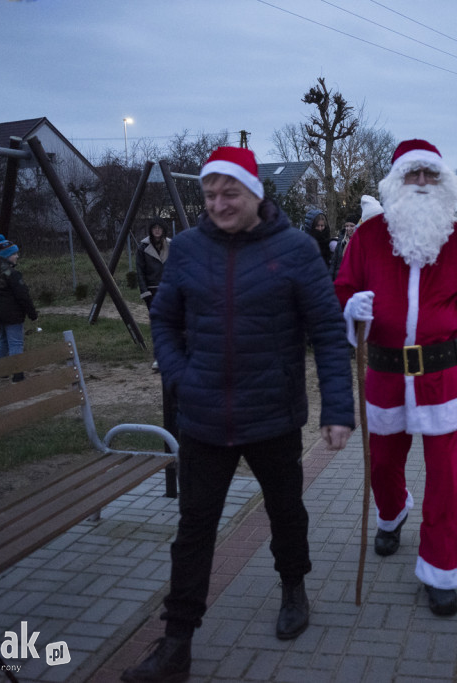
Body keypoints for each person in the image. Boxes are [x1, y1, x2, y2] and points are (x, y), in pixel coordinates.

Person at [122, 146, 355, 682]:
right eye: (209, 194)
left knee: (286, 511)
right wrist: (180, 376)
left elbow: (326, 330)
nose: (219, 203)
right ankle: (176, 642)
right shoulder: (185, 249)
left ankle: (293, 587)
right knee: (194, 530)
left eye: (230, 193)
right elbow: (164, 319)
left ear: (256, 193)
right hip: (204, 418)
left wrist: (338, 408)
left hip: (272, 414)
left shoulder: (296, 249)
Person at [334, 138, 457, 617]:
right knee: (382, 465)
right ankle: (392, 512)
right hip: (383, 374)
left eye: (431, 175)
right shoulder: (366, 238)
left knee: (445, 479)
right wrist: (350, 308)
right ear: (396, 183)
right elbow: (343, 287)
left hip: (440, 376)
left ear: (444, 182)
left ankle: (441, 569)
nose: (422, 183)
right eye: (413, 175)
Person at [0, 234, 37, 381]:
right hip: (12, 315)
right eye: (14, 254)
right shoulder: (12, 274)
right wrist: (32, 313)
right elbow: (23, 295)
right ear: (6, 256)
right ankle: (18, 373)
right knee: (16, 343)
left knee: (3, 341)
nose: (17, 256)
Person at [137, 219, 172, 371]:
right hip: (152, 291)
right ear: (151, 230)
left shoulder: (171, 245)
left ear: (164, 230)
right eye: (154, 228)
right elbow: (140, 271)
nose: (157, 230)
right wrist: (145, 292)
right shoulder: (143, 247)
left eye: (160, 228)